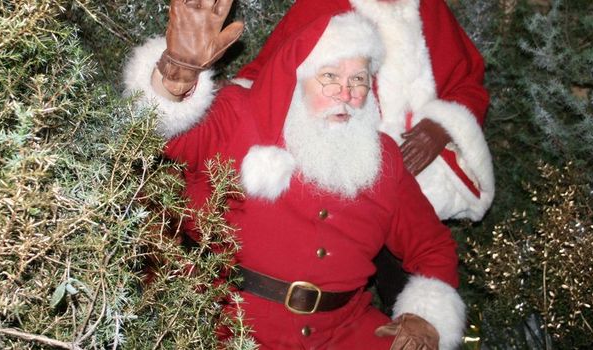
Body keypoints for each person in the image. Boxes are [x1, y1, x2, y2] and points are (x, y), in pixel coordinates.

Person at [123, 1, 465, 349]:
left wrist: (426, 316)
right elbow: (166, 136)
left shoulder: (383, 159)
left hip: (342, 333)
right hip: (223, 324)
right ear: (299, 75)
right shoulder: (239, 114)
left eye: (358, 80)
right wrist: (175, 77)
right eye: (329, 76)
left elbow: (432, 245)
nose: (346, 93)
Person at [232, 0, 496, 311]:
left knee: (415, 301)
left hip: (412, 187)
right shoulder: (321, 5)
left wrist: (442, 126)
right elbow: (270, 73)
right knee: (324, 299)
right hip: (333, 180)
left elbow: (466, 82)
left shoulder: (428, 8)